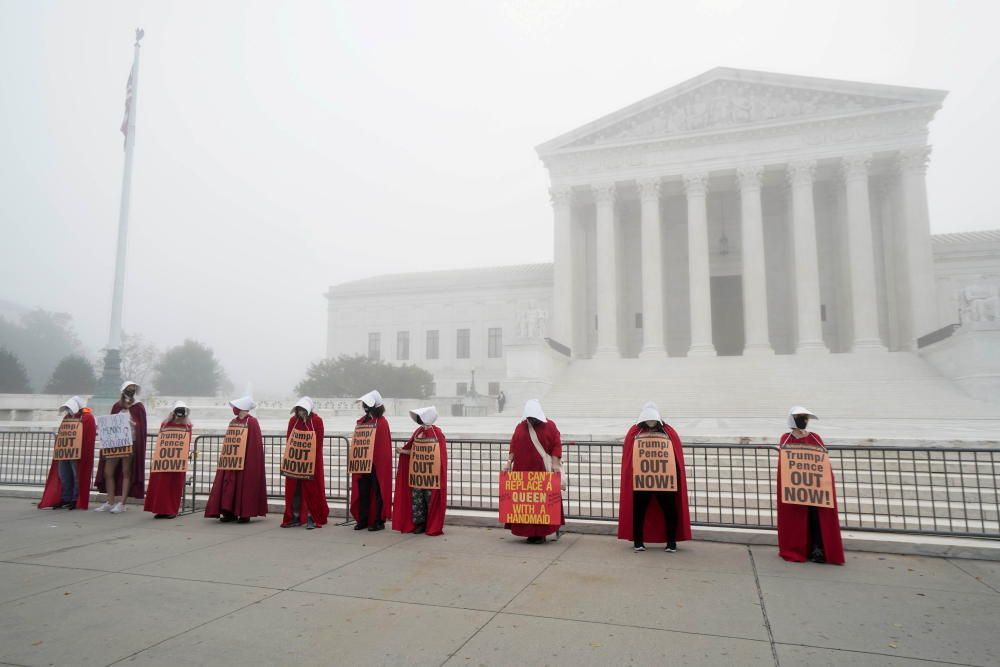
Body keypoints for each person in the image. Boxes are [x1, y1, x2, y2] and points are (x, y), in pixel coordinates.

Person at [617, 401, 692, 552]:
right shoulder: (635, 432)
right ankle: (638, 541)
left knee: (670, 510)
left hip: (665, 480)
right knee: (638, 511)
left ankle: (671, 542)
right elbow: (629, 456)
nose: (650, 422)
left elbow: (676, 455)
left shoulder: (668, 432)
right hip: (641, 480)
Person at [776, 406, 845, 565]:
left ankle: (818, 549)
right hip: (797, 486)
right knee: (799, 518)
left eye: (806, 417)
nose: (804, 420)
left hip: (816, 486)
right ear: (793, 419)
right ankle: (799, 548)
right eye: (801, 417)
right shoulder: (786, 438)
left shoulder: (815, 437)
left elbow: (822, 460)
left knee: (816, 518)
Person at [502, 399, 565, 544]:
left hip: (541, 470)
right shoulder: (520, 427)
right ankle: (529, 532)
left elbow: (556, 445)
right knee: (527, 503)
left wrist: (555, 464)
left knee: (542, 503)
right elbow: (513, 445)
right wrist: (508, 463)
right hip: (522, 471)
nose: (532, 420)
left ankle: (540, 533)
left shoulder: (550, 426)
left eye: (533, 417)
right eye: (529, 418)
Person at [205, 396, 268, 524]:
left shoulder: (252, 421)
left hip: (245, 460)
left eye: (236, 407)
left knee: (244, 486)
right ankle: (229, 512)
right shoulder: (233, 421)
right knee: (229, 485)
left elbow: (254, 444)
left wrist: (247, 458)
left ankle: (245, 513)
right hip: (232, 460)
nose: (234, 409)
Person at [393, 406, 448, 536]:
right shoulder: (418, 431)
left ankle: (430, 523)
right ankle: (420, 524)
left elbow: (440, 455)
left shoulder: (437, 433)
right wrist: (403, 451)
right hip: (417, 473)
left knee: (430, 499)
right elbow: (414, 450)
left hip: (431, 475)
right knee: (417, 499)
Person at [94, 380, 147, 514]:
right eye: (129, 388)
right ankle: (110, 501)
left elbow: (141, 426)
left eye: (133, 388)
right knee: (108, 472)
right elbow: (110, 422)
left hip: (130, 442)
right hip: (115, 443)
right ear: (123, 390)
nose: (131, 390)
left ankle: (122, 503)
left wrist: (134, 425)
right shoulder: (117, 406)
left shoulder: (138, 406)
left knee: (126, 471)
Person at [39, 396, 96, 510]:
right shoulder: (67, 417)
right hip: (65, 451)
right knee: (64, 475)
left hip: (77, 453)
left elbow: (87, 435)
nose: (68, 410)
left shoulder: (87, 417)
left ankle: (75, 499)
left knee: (76, 476)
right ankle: (65, 498)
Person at [281, 396, 329, 530]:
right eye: (299, 410)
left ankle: (311, 517)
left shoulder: (317, 421)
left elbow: (318, 442)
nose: (301, 412)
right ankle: (295, 516)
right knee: (295, 490)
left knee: (312, 490)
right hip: (296, 462)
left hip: (311, 463)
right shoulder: (293, 421)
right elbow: (289, 439)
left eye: (303, 410)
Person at [350, 390, 393, 531]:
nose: (365, 406)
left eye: (367, 404)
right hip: (363, 463)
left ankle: (378, 521)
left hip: (377, 464)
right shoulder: (362, 421)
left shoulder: (382, 422)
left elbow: (383, 446)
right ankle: (363, 519)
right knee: (363, 491)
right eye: (364, 404)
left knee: (378, 492)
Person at [143, 401, 191, 519]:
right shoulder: (165, 424)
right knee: (161, 486)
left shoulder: (187, 426)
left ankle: (171, 510)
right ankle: (160, 509)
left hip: (177, 461)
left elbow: (187, 442)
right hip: (164, 460)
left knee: (174, 486)